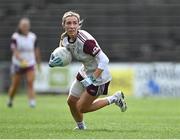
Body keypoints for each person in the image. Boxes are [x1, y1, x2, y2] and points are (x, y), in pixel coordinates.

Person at [49, 11, 127, 130]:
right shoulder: (64, 38)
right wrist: (55, 61)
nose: (72, 26)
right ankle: (81, 127)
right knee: (71, 102)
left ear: (79, 25)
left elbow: (104, 60)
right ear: (63, 25)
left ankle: (114, 98)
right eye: (68, 23)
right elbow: (64, 53)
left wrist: (92, 78)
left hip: (99, 77)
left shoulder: (86, 42)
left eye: (75, 23)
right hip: (85, 70)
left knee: (82, 108)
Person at [7, 17, 41, 108]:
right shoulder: (15, 37)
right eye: (23, 25)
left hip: (30, 63)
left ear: (29, 26)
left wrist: (38, 62)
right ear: (20, 26)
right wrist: (21, 60)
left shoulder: (32, 36)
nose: (25, 27)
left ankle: (32, 102)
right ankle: (10, 99)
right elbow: (14, 50)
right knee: (15, 84)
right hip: (18, 63)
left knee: (30, 82)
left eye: (26, 25)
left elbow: (36, 50)